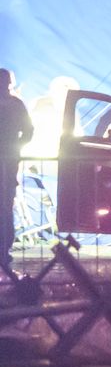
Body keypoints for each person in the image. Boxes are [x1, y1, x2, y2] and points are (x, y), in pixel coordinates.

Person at [1, 70, 32, 274]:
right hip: (10, 160)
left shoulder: (15, 105)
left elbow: (28, 131)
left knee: (4, 205)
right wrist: (16, 147)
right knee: (5, 206)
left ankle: (3, 251)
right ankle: (3, 252)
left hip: (9, 160)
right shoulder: (16, 104)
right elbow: (29, 131)